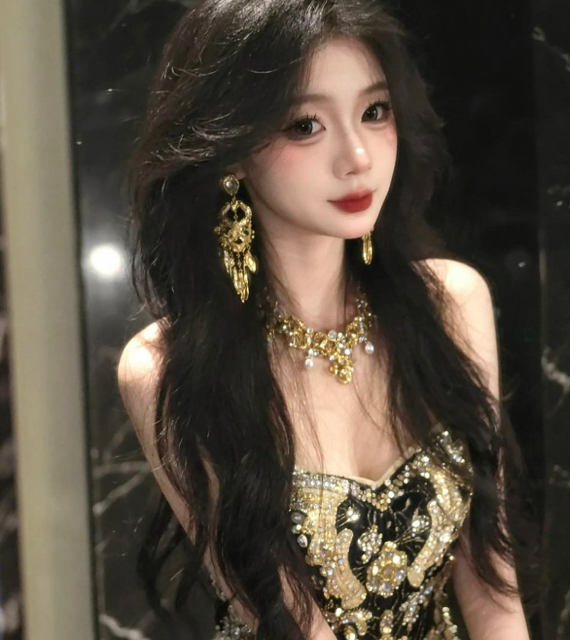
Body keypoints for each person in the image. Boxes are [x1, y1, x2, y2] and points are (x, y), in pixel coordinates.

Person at [117, 1, 535, 638]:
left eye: (375, 111)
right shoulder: (167, 368)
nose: (357, 156)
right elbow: (290, 623)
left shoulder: (452, 302)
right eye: (305, 124)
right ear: (231, 150)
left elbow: (494, 594)